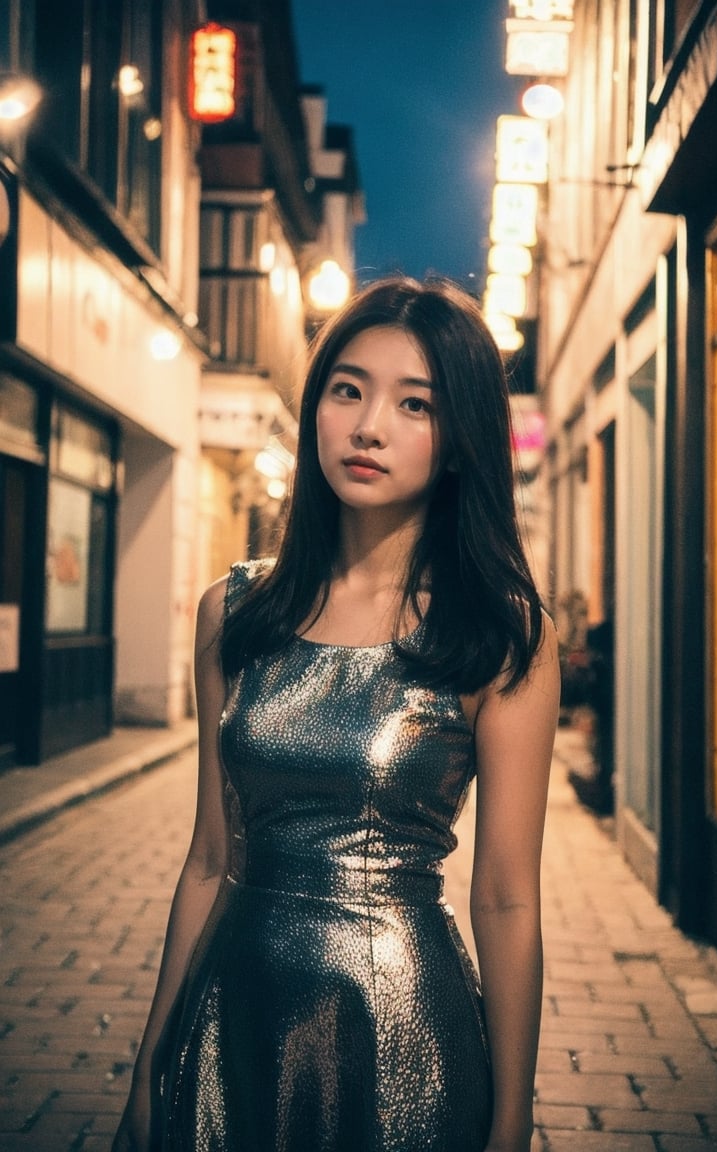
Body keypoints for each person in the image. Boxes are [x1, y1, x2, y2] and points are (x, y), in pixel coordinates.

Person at [112, 277, 560, 1152]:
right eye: (347, 389)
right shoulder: (234, 613)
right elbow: (210, 858)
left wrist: (512, 1119)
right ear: (315, 406)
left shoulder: (498, 634)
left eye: (415, 403)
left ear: (461, 438)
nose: (368, 426)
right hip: (233, 1015)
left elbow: (507, 899)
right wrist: (148, 1063)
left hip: (402, 1030)